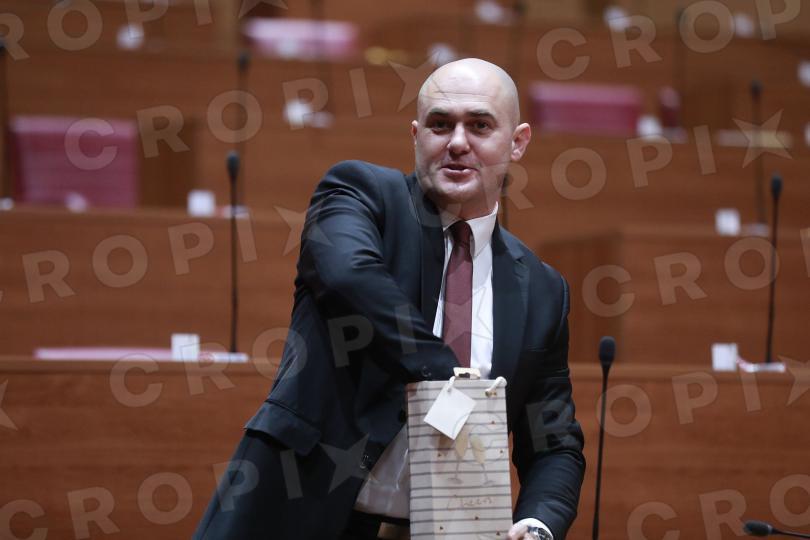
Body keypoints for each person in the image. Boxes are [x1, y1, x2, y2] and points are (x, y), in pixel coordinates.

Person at [194, 58, 585, 540]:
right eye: (440, 124)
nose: (457, 142)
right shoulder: (361, 196)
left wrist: (539, 524)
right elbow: (348, 278)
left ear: (518, 142)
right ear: (416, 136)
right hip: (298, 517)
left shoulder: (542, 290)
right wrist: (449, 378)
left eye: (480, 126)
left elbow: (552, 442)